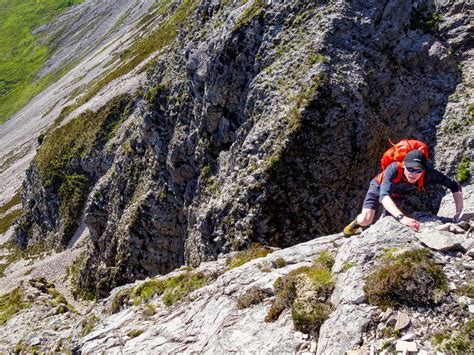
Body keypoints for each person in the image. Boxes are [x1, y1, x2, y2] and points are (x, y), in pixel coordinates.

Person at [343, 150, 464, 236]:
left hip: (399, 194)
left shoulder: (429, 174)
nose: (413, 174)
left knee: (388, 222)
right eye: (410, 169)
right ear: (404, 165)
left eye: (418, 170)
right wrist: (402, 218)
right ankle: (354, 226)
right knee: (366, 220)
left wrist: (459, 212)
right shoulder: (393, 169)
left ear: (424, 170)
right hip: (379, 187)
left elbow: (454, 185)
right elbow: (384, 196)